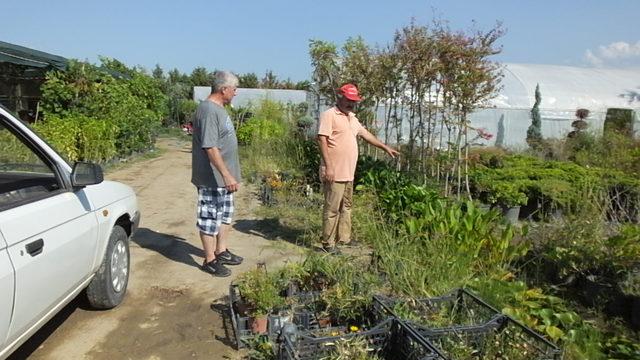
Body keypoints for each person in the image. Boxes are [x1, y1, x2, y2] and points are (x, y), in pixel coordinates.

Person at [317, 83, 400, 253]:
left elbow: (365, 134)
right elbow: (321, 139)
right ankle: (328, 244)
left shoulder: (352, 118)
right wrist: (329, 166)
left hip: (348, 173)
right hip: (335, 172)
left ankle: (344, 239)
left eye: (354, 101)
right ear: (340, 97)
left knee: (346, 207)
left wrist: (384, 147)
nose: (351, 104)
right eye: (348, 100)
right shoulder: (329, 115)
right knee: (332, 209)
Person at [191, 71, 243, 277]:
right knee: (210, 218)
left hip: (223, 179)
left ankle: (221, 251)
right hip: (212, 178)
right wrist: (226, 174)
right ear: (223, 89)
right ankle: (209, 259)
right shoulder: (208, 110)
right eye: (234, 89)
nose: (235, 93)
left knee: (225, 216)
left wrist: (230, 175)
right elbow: (210, 147)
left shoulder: (219, 109)